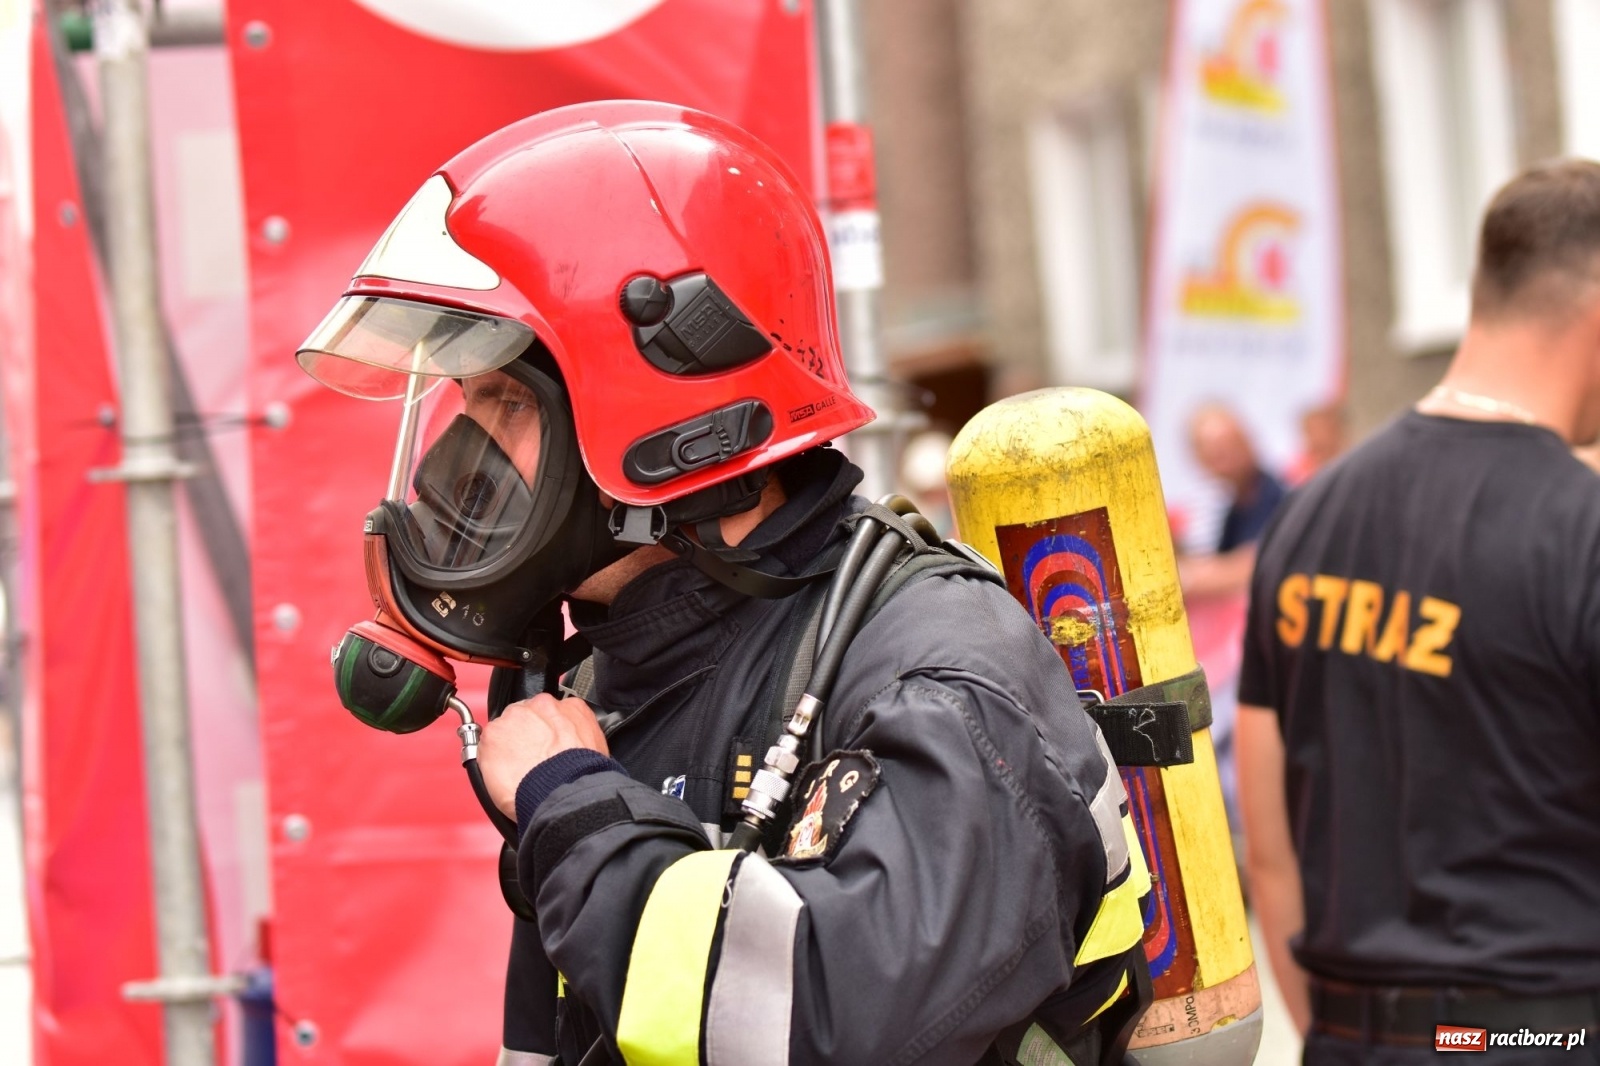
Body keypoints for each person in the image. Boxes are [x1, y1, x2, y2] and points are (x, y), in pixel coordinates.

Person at [296, 102, 1150, 1065]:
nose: (466, 454)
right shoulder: (609, 674)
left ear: (669, 417)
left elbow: (828, 1021)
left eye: (501, 398)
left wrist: (578, 810)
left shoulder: (943, 681)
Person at [1237, 158, 1600, 1064]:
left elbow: (1270, 846)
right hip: (1543, 1030)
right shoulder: (1579, 530)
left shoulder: (1310, 517)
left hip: (1355, 1035)